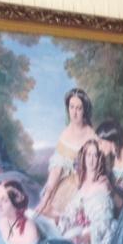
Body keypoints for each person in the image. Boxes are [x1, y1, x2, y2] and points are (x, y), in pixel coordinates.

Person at [36, 88, 96, 218]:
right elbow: (57, 169)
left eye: (78, 108)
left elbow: (96, 168)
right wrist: (46, 196)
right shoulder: (65, 133)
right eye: (71, 107)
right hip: (64, 184)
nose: (74, 113)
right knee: (46, 209)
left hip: (83, 185)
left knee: (71, 216)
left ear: (84, 110)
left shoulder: (91, 136)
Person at [58, 139, 115, 244]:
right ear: (83, 157)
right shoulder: (82, 183)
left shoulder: (102, 184)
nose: (91, 160)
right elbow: (71, 211)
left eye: (95, 155)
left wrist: (86, 237)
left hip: (99, 238)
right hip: (82, 230)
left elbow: (103, 222)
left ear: (100, 159)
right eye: (89, 154)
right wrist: (64, 221)